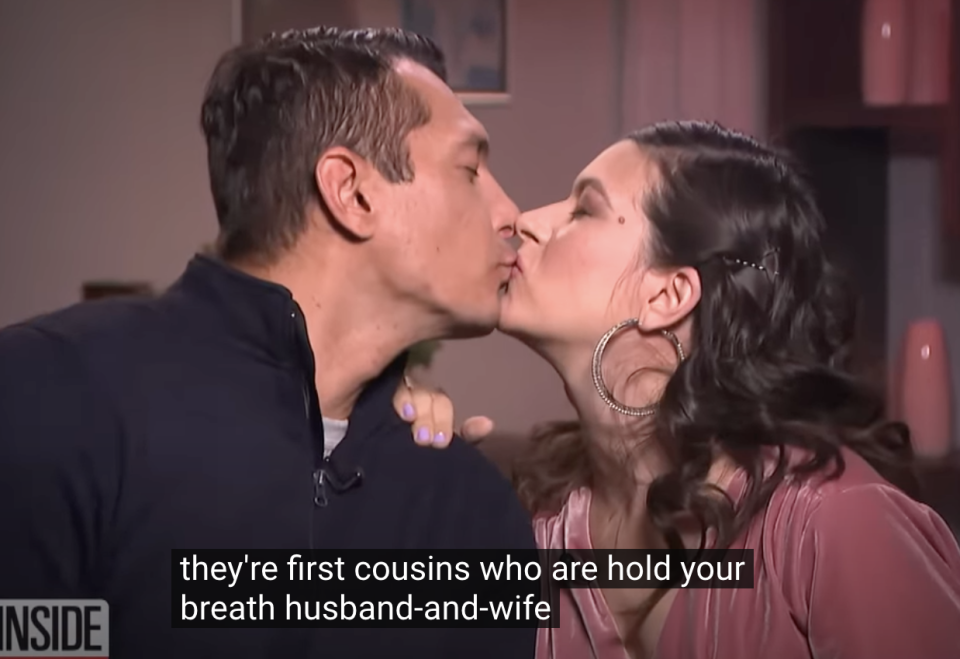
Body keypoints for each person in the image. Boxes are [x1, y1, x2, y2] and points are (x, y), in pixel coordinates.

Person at [0, 27, 536, 659]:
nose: (512, 215)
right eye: (471, 169)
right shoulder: (48, 394)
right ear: (353, 192)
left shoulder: (467, 508)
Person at [395, 120, 960, 658]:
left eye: (583, 209)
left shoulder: (836, 525)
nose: (528, 221)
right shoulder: (538, 523)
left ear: (667, 296)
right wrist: (398, 473)